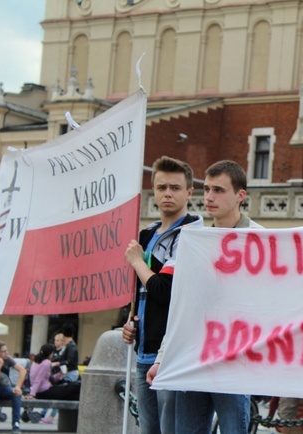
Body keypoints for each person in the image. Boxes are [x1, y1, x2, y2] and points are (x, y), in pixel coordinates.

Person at [147, 160, 260, 434]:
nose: (209, 197)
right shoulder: (192, 240)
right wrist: (163, 356)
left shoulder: (260, 240)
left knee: (234, 430)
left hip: (234, 359)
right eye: (206, 189)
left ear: (240, 195)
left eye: (218, 190)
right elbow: (182, 306)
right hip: (193, 356)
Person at [122, 156, 202, 434]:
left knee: (170, 429)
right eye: (161, 187)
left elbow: (166, 292)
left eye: (176, 188)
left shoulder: (192, 233)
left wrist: (137, 262)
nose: (168, 193)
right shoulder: (146, 233)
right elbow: (140, 291)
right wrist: (129, 321)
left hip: (170, 351)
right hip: (143, 348)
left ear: (189, 192)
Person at [0, 341, 25, 434]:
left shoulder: (7, 359)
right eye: (4, 351)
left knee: (16, 393)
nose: (7, 353)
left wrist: (18, 387)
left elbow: (22, 370)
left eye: (7, 351)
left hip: (5, 388)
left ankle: (16, 424)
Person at [40, 333, 65, 424]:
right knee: (50, 394)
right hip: (52, 375)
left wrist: (53, 364)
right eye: (55, 340)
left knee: (58, 396)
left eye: (57, 340)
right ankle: (43, 413)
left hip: (59, 374)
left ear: (62, 342)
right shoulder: (53, 351)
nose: (55, 342)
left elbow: (62, 362)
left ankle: (51, 416)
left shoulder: (63, 351)